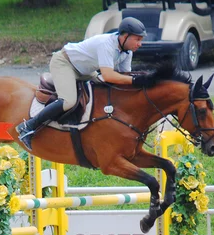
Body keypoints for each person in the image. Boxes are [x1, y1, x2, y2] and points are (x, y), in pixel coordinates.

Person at [15, 17, 153, 151]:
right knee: (68, 101)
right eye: (138, 39)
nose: (140, 44)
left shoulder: (127, 52)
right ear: (125, 36)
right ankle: (27, 127)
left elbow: (123, 78)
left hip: (85, 70)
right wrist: (135, 80)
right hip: (65, 63)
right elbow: (109, 75)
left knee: (106, 87)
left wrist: (142, 82)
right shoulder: (106, 44)